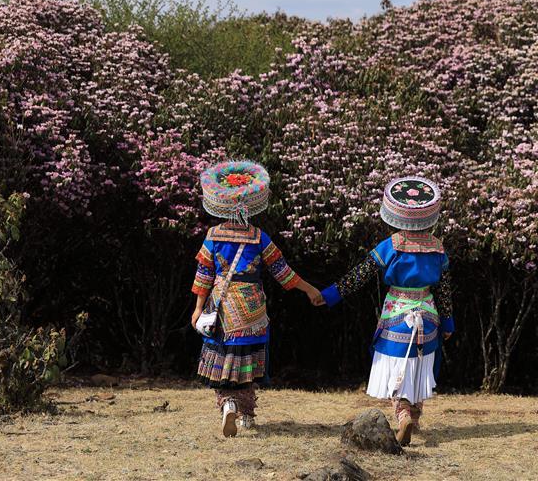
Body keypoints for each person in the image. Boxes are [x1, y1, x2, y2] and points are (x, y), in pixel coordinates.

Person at [190, 160, 323, 437]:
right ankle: (247, 415)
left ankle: (228, 404)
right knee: (248, 362)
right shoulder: (258, 237)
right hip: (252, 307)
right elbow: (283, 273)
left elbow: (204, 274)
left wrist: (198, 308)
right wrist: (310, 289)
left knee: (224, 357)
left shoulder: (213, 235)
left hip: (222, 307)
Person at [320, 176, 454, 446]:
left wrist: (329, 295)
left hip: (397, 318)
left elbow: (359, 275)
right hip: (427, 319)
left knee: (398, 371)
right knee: (418, 369)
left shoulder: (391, 246)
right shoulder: (438, 249)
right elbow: (444, 292)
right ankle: (413, 418)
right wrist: (448, 323)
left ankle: (403, 414)